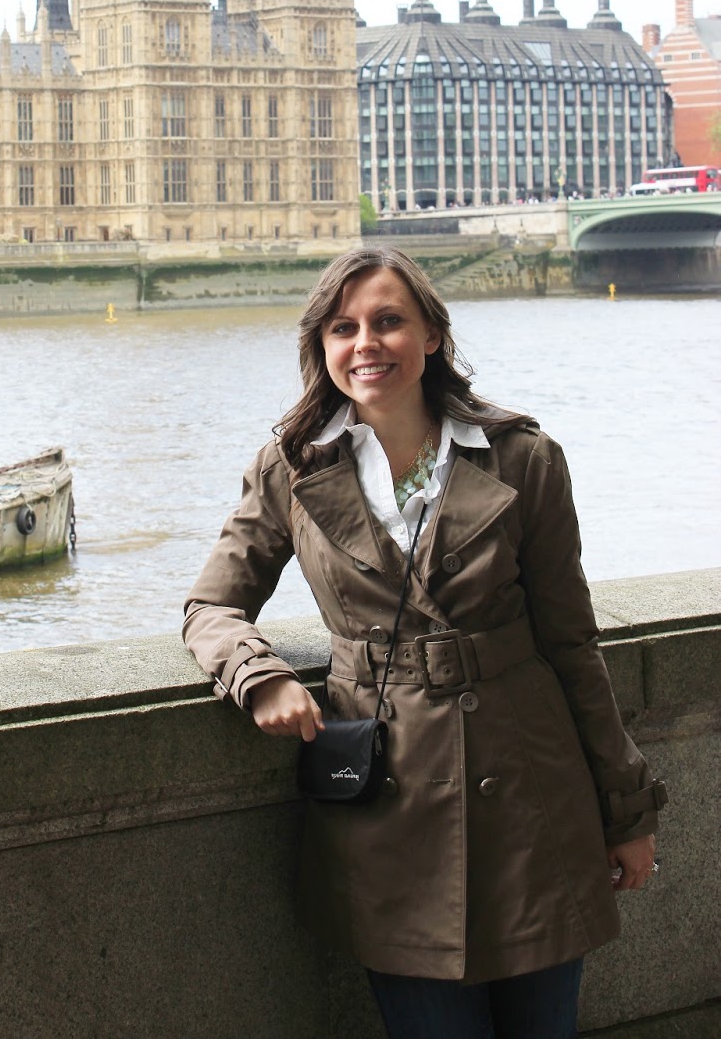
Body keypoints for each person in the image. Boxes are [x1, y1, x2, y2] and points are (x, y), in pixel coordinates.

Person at [183, 246, 666, 1039]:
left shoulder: (523, 459)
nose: (365, 343)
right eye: (344, 327)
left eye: (388, 322)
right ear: (323, 347)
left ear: (432, 336)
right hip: (389, 821)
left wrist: (627, 810)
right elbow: (211, 604)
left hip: (534, 808)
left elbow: (574, 646)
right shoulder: (290, 468)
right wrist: (258, 676)